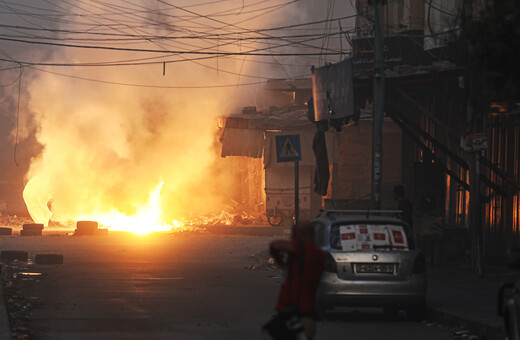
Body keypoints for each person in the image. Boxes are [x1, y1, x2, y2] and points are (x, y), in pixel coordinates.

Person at [269, 221, 325, 340]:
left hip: (303, 313)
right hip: (287, 312)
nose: (292, 238)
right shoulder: (299, 255)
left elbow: (276, 245)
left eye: (295, 234)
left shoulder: (311, 252)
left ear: (304, 235)